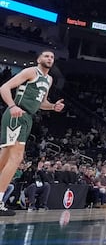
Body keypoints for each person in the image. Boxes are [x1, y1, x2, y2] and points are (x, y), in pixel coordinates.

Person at [0, 50, 65, 216]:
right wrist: (12, 106)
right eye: (46, 56)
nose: (49, 58)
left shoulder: (49, 80)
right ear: (38, 59)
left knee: (5, 158)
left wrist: (52, 107)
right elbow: (4, 87)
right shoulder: (31, 71)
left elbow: (42, 102)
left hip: (28, 117)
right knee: (16, 158)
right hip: (18, 113)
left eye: (52, 57)